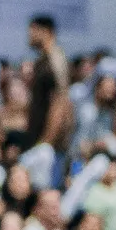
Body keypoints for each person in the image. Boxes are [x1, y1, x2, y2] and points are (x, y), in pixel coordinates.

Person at [25, 15, 72, 174]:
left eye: (33, 31)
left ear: (46, 32)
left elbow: (59, 102)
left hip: (50, 146)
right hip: (40, 138)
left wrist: (46, 142)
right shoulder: (42, 62)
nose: (29, 36)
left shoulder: (55, 61)